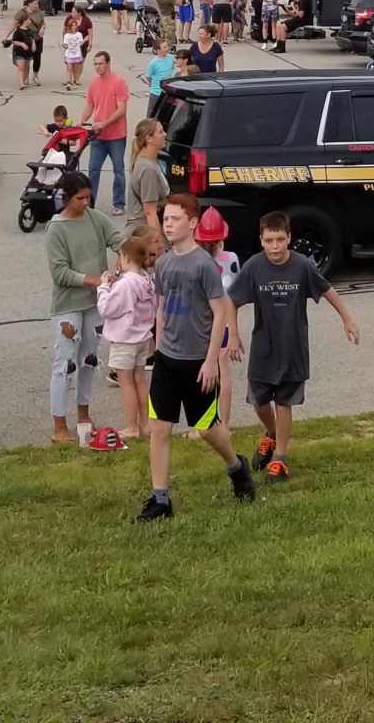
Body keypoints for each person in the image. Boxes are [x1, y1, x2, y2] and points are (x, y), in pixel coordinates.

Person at [135, 192, 255, 520]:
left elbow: (219, 313)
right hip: (168, 360)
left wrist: (211, 360)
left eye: (174, 219)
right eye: (165, 219)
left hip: (198, 363)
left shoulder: (204, 265)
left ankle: (236, 466)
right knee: (160, 427)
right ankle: (160, 499)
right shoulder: (164, 263)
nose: (168, 224)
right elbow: (161, 305)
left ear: (192, 223)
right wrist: (157, 348)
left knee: (208, 429)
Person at [228, 210, 359, 479]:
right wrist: (234, 334)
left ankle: (280, 458)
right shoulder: (254, 266)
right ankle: (273, 434)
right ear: (261, 240)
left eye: (279, 239)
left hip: (293, 347)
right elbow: (232, 300)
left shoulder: (302, 266)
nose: (274, 246)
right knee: (260, 401)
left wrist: (347, 319)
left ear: (289, 238)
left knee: (284, 402)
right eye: (268, 240)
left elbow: (327, 290)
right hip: (263, 346)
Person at [44, 168, 121, 447]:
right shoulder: (56, 229)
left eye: (88, 197)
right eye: (80, 198)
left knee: (89, 358)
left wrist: (124, 257)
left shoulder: (95, 218)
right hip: (67, 305)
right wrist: (94, 280)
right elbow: (60, 273)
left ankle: (84, 416)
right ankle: (59, 424)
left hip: (94, 303)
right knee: (65, 362)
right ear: (66, 197)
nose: (85, 203)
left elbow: (118, 240)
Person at [96, 233, 159, 450]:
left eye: (121, 256)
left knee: (126, 382)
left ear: (127, 258)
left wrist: (104, 287)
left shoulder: (126, 284)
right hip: (142, 337)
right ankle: (144, 424)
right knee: (140, 380)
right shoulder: (146, 279)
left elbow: (107, 309)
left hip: (124, 339)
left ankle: (131, 426)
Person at [82, 50, 131, 213]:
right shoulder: (94, 84)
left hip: (116, 136)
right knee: (93, 169)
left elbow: (121, 110)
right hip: (98, 135)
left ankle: (119, 204)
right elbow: (90, 104)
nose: (97, 67)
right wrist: (81, 120)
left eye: (100, 63)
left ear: (108, 63)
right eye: (95, 64)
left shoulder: (118, 82)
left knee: (118, 170)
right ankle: (90, 203)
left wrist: (104, 123)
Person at [128, 119, 170, 239]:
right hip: (144, 235)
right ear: (149, 138)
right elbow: (150, 212)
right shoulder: (148, 169)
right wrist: (158, 243)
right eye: (160, 132)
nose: (165, 134)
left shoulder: (151, 162)